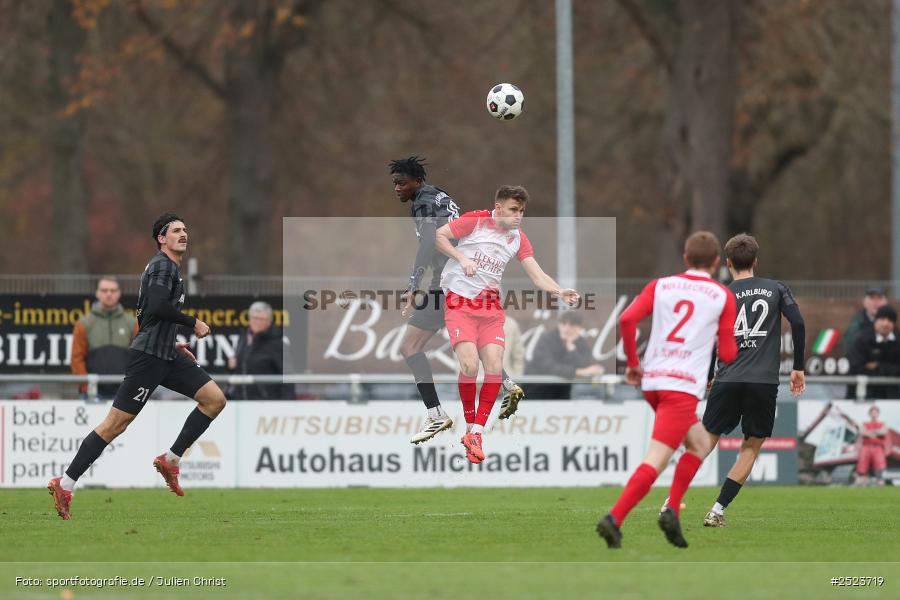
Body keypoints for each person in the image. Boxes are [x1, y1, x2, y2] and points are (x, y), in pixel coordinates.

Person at [47, 213, 225, 520]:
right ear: (161, 238)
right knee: (115, 424)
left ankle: (170, 459)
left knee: (214, 400)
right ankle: (64, 483)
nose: (184, 234)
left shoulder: (170, 269)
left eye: (185, 230)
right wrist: (191, 322)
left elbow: (145, 316)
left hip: (166, 354)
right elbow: (157, 306)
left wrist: (171, 343)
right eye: (176, 231)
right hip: (148, 359)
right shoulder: (162, 265)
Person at [596, 231, 737, 549]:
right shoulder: (721, 296)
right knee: (657, 459)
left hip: (654, 382)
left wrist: (633, 363)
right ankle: (614, 519)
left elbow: (627, 319)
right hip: (681, 387)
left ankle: (672, 508)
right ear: (716, 263)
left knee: (699, 444)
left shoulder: (661, 285)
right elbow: (727, 354)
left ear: (685, 258)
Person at [663, 233, 806, 528]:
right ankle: (716, 511)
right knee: (751, 446)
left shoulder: (721, 294)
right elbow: (799, 323)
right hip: (762, 382)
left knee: (704, 441)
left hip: (727, 378)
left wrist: (709, 375)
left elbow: (709, 340)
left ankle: (671, 502)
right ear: (756, 261)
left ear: (727, 263)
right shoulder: (776, 288)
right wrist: (799, 367)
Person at [435, 185, 579, 463]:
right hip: (460, 305)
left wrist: (560, 291)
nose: (518, 216)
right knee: (469, 365)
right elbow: (438, 236)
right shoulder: (475, 220)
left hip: (490, 309)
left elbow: (537, 275)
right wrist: (461, 258)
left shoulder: (517, 238)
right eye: (514, 210)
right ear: (498, 208)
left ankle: (476, 433)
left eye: (522, 211)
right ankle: (468, 426)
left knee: (494, 365)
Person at [390, 157, 524, 444]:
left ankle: (436, 414)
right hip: (463, 281)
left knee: (410, 346)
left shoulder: (422, 202)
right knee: (474, 344)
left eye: (401, 183)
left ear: (416, 181)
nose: (398, 189)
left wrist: (413, 283)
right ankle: (505, 381)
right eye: (395, 184)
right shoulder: (439, 194)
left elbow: (430, 240)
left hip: (448, 283)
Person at [71, 276, 139, 399]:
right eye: (104, 290)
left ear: (119, 293)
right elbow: (77, 359)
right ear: (97, 293)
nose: (108, 294)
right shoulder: (84, 324)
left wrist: (133, 385)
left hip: (124, 393)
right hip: (92, 393)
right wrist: (86, 386)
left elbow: (139, 357)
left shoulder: (131, 323)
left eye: (113, 291)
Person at [527, 311, 603, 400]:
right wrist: (577, 372)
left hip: (563, 393)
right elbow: (547, 366)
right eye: (564, 323)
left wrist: (570, 347)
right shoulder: (546, 338)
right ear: (559, 325)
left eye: (571, 325)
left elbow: (584, 364)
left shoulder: (582, 343)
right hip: (537, 390)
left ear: (579, 328)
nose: (566, 328)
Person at [227, 301, 290, 400]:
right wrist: (233, 366)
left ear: (269, 321)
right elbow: (241, 367)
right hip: (241, 401)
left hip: (267, 403)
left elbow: (287, 375)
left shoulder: (277, 343)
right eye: (255, 318)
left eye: (262, 319)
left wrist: (286, 404)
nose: (257, 322)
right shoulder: (243, 338)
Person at [848, 305, 900, 399]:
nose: (885, 324)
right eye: (882, 319)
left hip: (893, 399)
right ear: (875, 320)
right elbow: (857, 368)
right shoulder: (862, 340)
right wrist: (890, 370)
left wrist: (878, 366)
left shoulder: (898, 341)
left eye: (890, 320)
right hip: (863, 397)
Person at [844, 286, 888, 356]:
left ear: (886, 302)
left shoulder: (891, 324)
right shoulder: (856, 326)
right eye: (872, 298)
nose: (876, 302)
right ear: (864, 302)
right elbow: (850, 352)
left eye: (879, 298)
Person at [856, 405, 888, 486]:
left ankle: (880, 480)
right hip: (866, 446)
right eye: (872, 412)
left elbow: (883, 431)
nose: (874, 414)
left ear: (878, 414)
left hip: (877, 446)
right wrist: (876, 432)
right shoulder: (865, 423)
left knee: (879, 462)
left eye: (875, 412)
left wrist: (870, 432)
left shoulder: (882, 423)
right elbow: (862, 431)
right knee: (863, 462)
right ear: (869, 413)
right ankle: (861, 480)